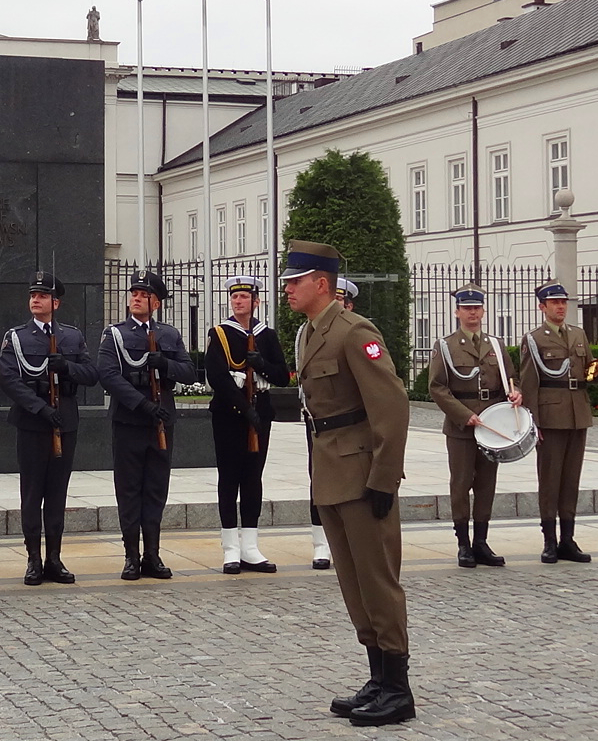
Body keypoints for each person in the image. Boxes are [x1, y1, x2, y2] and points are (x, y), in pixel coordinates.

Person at [283, 240, 414, 727]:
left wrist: (384, 477)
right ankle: (377, 676)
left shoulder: (354, 332)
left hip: (362, 476)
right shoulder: (308, 333)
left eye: (296, 282)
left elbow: (392, 405)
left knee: (378, 580)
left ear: (322, 283)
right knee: (352, 582)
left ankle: (398, 688)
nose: (289, 290)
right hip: (331, 471)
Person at [0, 270, 93, 585]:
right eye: (33, 295)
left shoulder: (71, 336)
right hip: (32, 421)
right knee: (32, 492)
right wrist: (39, 408)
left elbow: (91, 374)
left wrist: (68, 368)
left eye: (42, 296)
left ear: (56, 302)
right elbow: (9, 378)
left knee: (57, 493)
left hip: (64, 420)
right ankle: (33, 560)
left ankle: (54, 558)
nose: (35, 300)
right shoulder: (17, 337)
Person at [97, 270, 194, 581]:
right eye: (133, 294)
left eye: (143, 295)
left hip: (161, 424)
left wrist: (165, 364)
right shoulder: (115, 334)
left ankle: (152, 553)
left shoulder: (168, 335)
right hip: (130, 421)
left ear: (156, 303)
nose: (136, 298)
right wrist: (142, 404)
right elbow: (108, 375)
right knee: (129, 490)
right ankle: (131, 556)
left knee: (155, 490)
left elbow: (189, 372)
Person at [519, 282, 598, 564]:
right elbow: (529, 384)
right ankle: (549, 540)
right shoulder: (534, 339)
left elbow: (586, 371)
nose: (560, 307)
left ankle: (568, 539)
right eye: (554, 303)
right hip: (550, 416)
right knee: (550, 480)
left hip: (577, 413)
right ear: (542, 307)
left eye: (563, 302)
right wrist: (532, 422)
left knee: (571, 479)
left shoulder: (578, 334)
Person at [424, 284, 520, 569]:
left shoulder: (495, 345)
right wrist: (462, 414)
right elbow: (437, 387)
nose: (472, 313)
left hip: (492, 424)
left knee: (487, 484)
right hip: (462, 426)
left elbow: (511, 378)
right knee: (461, 483)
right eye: (467, 308)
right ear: (457, 312)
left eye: (477, 308)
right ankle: (463, 543)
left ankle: (481, 541)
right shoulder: (445, 346)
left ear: (483, 310)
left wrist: (516, 393)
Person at [204, 276, 288, 575]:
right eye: (235, 298)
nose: (238, 302)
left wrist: (262, 363)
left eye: (244, 297)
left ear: (256, 302)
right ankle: (230, 548)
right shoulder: (221, 334)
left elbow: (282, 376)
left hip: (261, 411)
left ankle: (250, 546)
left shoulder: (267, 335)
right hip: (229, 414)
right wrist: (243, 407)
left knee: (253, 478)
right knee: (229, 478)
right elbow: (217, 377)